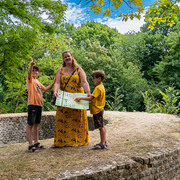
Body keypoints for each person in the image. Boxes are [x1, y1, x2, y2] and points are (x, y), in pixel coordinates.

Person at [50, 50, 91, 148]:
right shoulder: (60, 70)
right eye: (65, 57)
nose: (67, 58)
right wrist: (55, 91)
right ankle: (60, 142)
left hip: (77, 98)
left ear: (72, 56)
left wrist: (88, 92)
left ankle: (79, 140)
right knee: (62, 119)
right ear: (63, 59)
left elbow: (84, 82)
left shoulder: (78, 69)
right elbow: (57, 82)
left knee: (78, 120)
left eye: (68, 56)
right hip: (64, 98)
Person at [26, 58, 55, 152]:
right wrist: (31, 65)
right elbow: (29, 73)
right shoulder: (30, 80)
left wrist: (54, 82)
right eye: (33, 70)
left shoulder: (37, 82)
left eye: (36, 71)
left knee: (36, 125)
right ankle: (30, 145)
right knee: (30, 124)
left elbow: (45, 89)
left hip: (39, 105)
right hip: (32, 105)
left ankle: (36, 142)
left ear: (38, 73)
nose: (34, 72)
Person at [74, 70, 107, 150]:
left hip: (97, 110)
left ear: (99, 78)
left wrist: (80, 98)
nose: (93, 80)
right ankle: (103, 141)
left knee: (101, 127)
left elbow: (91, 98)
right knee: (102, 126)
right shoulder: (101, 87)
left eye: (94, 78)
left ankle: (102, 144)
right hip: (99, 109)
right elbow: (93, 96)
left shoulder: (98, 88)